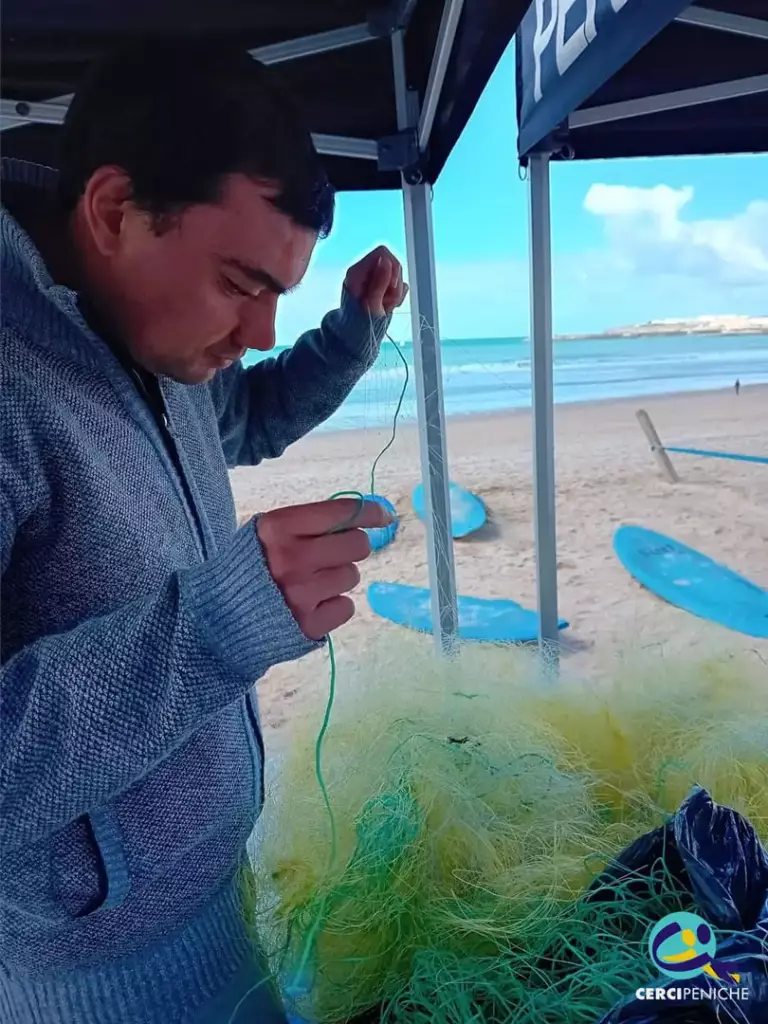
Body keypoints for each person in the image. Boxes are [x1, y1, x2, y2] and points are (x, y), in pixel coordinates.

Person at [0, 40, 407, 1024]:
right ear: (110, 211)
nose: (258, 329)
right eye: (241, 283)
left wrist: (349, 331)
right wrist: (215, 627)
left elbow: (247, 418)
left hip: (211, 900)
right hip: (90, 978)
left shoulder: (146, 316)